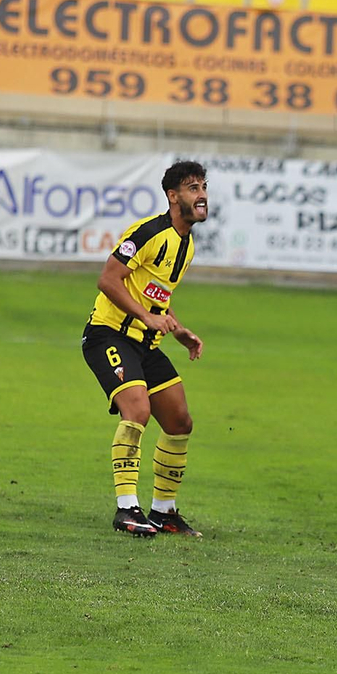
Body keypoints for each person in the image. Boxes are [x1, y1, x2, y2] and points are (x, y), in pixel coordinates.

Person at [80, 162, 208, 538]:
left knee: (180, 421)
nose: (201, 194)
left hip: (145, 342)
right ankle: (126, 510)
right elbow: (108, 279)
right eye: (192, 188)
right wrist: (147, 319)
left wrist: (177, 328)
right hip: (108, 336)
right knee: (137, 408)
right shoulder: (150, 232)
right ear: (173, 196)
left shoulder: (186, 245)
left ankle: (164, 512)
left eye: (203, 186)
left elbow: (154, 294)